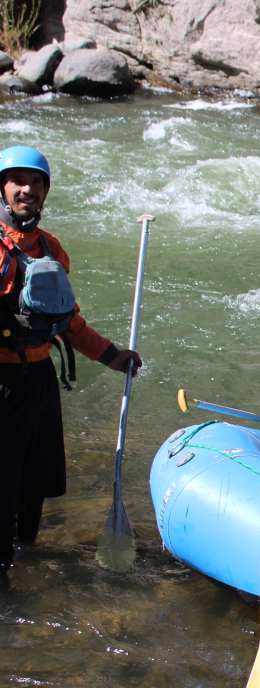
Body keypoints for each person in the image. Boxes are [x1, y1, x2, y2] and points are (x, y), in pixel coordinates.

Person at [0, 145, 141, 577]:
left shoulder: (51, 249)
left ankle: (24, 552)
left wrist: (112, 355)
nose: (28, 189)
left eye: (37, 182)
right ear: (2, 189)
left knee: (35, 480)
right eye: (18, 181)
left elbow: (68, 321)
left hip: (38, 378)